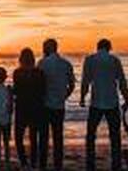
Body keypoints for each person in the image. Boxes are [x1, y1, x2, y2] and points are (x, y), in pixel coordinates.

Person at [80, 38, 128, 171]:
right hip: (112, 102)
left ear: (97, 47)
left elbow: (85, 81)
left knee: (91, 135)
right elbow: (122, 82)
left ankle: (90, 164)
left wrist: (82, 97)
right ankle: (116, 164)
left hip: (96, 102)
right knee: (115, 136)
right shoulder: (114, 60)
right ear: (109, 48)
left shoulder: (90, 59)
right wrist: (126, 99)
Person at [37, 38, 75, 171]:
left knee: (43, 137)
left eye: (44, 47)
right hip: (59, 105)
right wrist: (64, 96)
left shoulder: (42, 63)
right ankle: (58, 165)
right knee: (58, 136)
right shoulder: (66, 64)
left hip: (45, 105)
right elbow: (72, 85)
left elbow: (37, 85)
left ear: (47, 48)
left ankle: (42, 164)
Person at [13, 48, 46, 170]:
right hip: (37, 107)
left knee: (18, 137)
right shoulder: (39, 73)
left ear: (21, 59)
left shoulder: (17, 73)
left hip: (22, 107)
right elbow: (43, 91)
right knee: (33, 137)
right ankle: (33, 163)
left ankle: (23, 162)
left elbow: (16, 91)